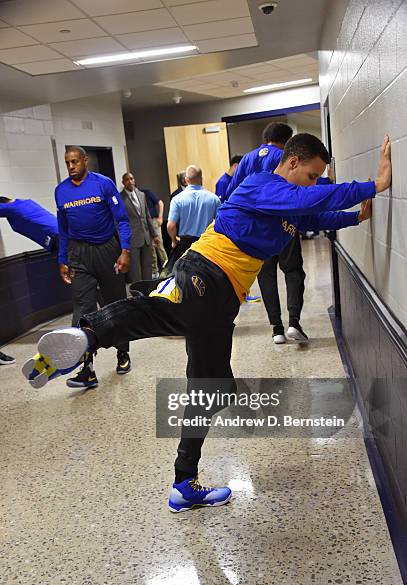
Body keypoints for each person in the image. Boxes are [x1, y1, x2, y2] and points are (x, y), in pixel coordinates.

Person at [23, 133, 391, 512]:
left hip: (218, 294)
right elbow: (308, 200)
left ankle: (184, 484)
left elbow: (313, 212)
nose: (313, 183)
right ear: (293, 162)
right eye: (312, 175)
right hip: (207, 274)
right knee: (156, 316)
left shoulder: (285, 205)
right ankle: (87, 334)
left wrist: (353, 216)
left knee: (208, 386)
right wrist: (375, 185)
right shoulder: (262, 185)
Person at [55, 145, 132, 389]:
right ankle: (87, 367)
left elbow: (121, 219)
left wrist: (125, 250)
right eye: (68, 163)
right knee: (82, 311)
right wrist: (62, 259)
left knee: (115, 303)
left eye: (75, 162)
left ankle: (122, 352)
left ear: (85, 161)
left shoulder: (103, 184)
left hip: (107, 249)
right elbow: (63, 230)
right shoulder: (61, 191)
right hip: (79, 253)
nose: (71, 167)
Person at [226, 122, 295, 308]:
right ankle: (294, 322)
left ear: (266, 138)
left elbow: (231, 192)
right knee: (293, 270)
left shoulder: (247, 158)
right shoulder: (285, 158)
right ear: (287, 141)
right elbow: (295, 190)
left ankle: (276, 328)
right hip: (282, 223)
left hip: (254, 229)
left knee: (265, 275)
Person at [165, 165, 220, 271]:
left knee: (186, 277)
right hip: (206, 243)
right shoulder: (214, 199)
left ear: (186, 180)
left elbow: (170, 226)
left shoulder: (177, 199)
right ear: (201, 178)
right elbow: (220, 223)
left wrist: (174, 240)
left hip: (186, 244)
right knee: (205, 275)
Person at [121, 173, 160, 283]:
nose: (130, 181)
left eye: (132, 179)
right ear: (123, 182)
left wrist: (155, 234)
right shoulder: (120, 198)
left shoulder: (141, 195)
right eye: (127, 180)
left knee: (147, 267)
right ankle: (137, 294)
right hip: (132, 239)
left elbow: (147, 216)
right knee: (135, 270)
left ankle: (147, 291)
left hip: (146, 236)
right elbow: (119, 221)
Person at [139, 186, 168, 278]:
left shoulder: (146, 192)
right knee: (150, 248)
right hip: (144, 223)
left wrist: (160, 217)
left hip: (153, 220)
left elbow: (160, 203)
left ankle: (167, 267)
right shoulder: (134, 198)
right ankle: (154, 270)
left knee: (159, 245)